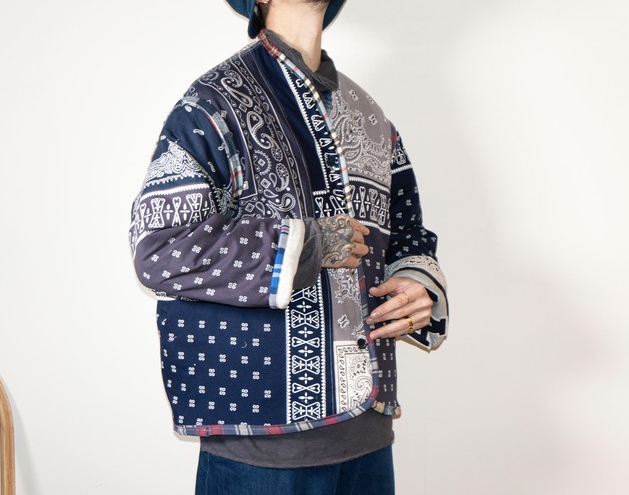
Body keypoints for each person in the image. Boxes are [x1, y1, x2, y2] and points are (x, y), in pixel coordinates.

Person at [128, 1, 449, 493]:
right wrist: (310, 244)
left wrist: (416, 283)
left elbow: (408, 235)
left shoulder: (369, 117)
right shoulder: (213, 104)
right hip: (261, 449)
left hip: (369, 439)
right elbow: (160, 249)